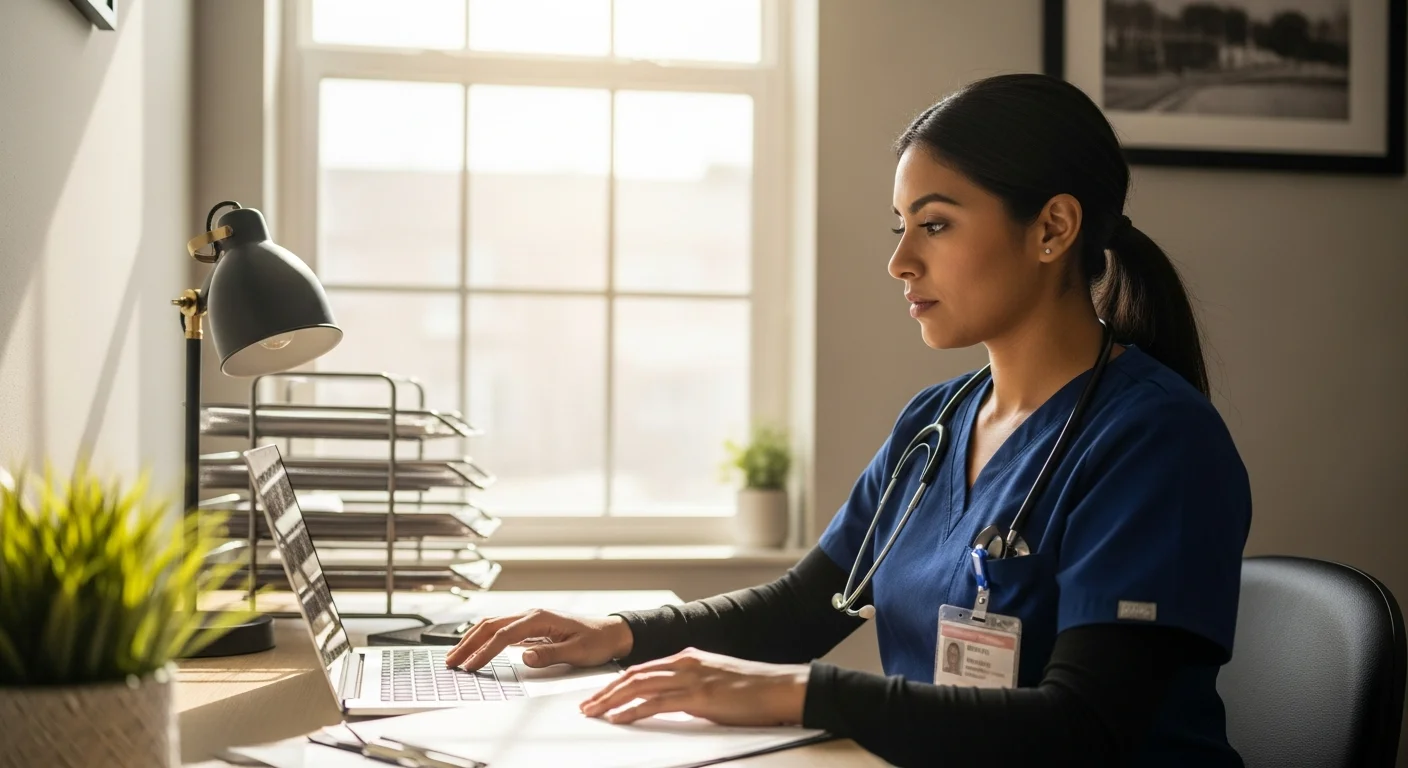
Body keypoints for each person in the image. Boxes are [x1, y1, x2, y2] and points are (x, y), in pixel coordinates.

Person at [445, 73, 1251, 767]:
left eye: (934, 224)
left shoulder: (1155, 442)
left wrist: (800, 694)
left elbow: (1082, 729)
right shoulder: (936, 424)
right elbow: (807, 608)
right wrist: (619, 631)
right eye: (901, 227)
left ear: (1052, 228)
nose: (901, 260)